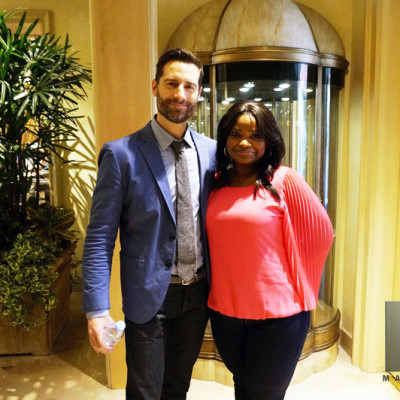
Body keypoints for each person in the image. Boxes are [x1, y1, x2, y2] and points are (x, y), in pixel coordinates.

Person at [82, 48, 216, 400]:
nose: (180, 94)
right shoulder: (121, 154)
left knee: (178, 386)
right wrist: (96, 310)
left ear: (199, 93)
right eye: (172, 84)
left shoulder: (213, 152)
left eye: (189, 86)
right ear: (155, 87)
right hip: (148, 296)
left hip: (198, 293)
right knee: (145, 390)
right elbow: (99, 239)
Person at [206, 101, 333, 400]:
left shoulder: (284, 180)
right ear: (225, 138)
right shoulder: (214, 184)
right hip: (225, 312)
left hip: (279, 316)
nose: (245, 142)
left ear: (269, 141)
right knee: (242, 386)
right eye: (236, 134)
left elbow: (321, 234)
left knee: (265, 394)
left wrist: (301, 286)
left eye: (256, 135)